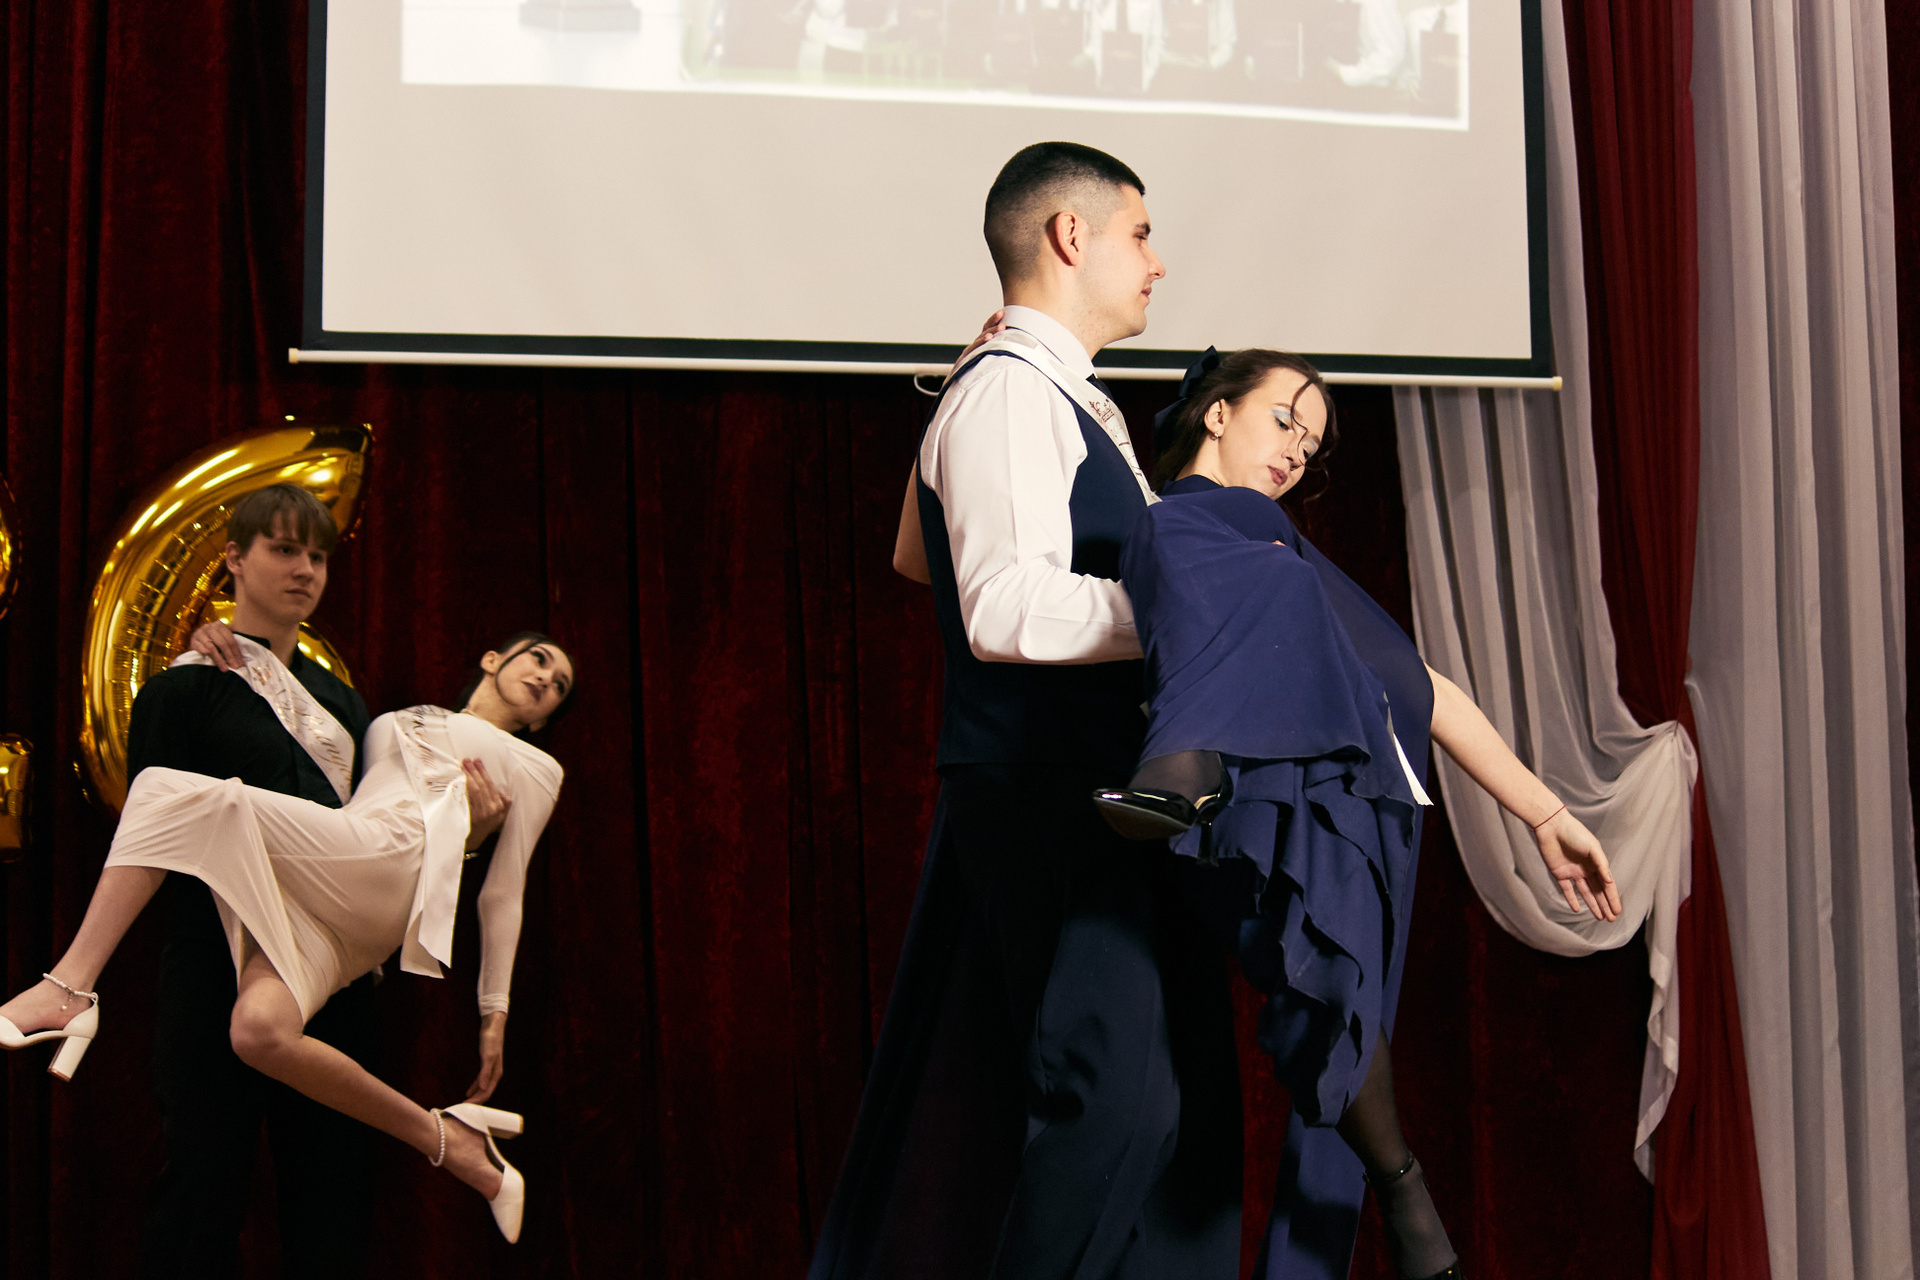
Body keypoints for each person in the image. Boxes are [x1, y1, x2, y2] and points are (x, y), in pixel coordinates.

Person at [811, 142, 1243, 1280]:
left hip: (1101, 794)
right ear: (1070, 235)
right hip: (1053, 792)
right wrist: (1202, 614)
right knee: (1117, 1109)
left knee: (1166, 1121)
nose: (1157, 262)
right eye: (1140, 233)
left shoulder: (1029, 387)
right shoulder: (1009, 388)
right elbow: (1000, 607)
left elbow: (917, 555)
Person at [1094, 347, 1620, 1280]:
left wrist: (1544, 814)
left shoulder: (1288, 557)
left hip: (1362, 805)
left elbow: (1424, 687)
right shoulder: (1197, 525)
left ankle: (1396, 1183)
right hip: (1281, 794)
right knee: (1325, 997)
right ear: (1217, 414)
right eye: (1284, 421)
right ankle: (1406, 1196)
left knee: (1335, 1012)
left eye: (1312, 446)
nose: (1297, 452)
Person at [0, 591, 574, 1246]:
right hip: (332, 890)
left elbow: (503, 892)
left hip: (384, 867)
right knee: (259, 1032)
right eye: (539, 660)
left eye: (559, 686)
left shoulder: (537, 767)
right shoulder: (388, 720)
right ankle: (453, 1143)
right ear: (493, 659)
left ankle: (69, 989)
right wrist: (218, 644)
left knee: (164, 791)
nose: (546, 680)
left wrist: (494, 1013)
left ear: (543, 720)